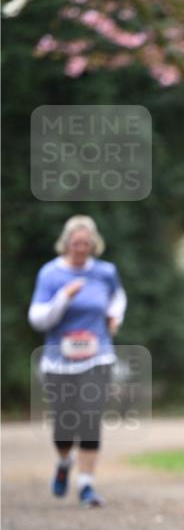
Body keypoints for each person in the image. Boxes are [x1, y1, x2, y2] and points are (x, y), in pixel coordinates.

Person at [28, 215, 127, 507]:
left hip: (98, 356)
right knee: (64, 423)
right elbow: (37, 319)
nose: (81, 248)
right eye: (76, 243)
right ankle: (64, 462)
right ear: (66, 243)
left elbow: (118, 298)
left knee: (89, 416)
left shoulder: (105, 271)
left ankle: (86, 484)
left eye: (86, 243)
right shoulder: (50, 273)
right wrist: (63, 297)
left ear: (94, 244)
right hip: (59, 360)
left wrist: (114, 317)